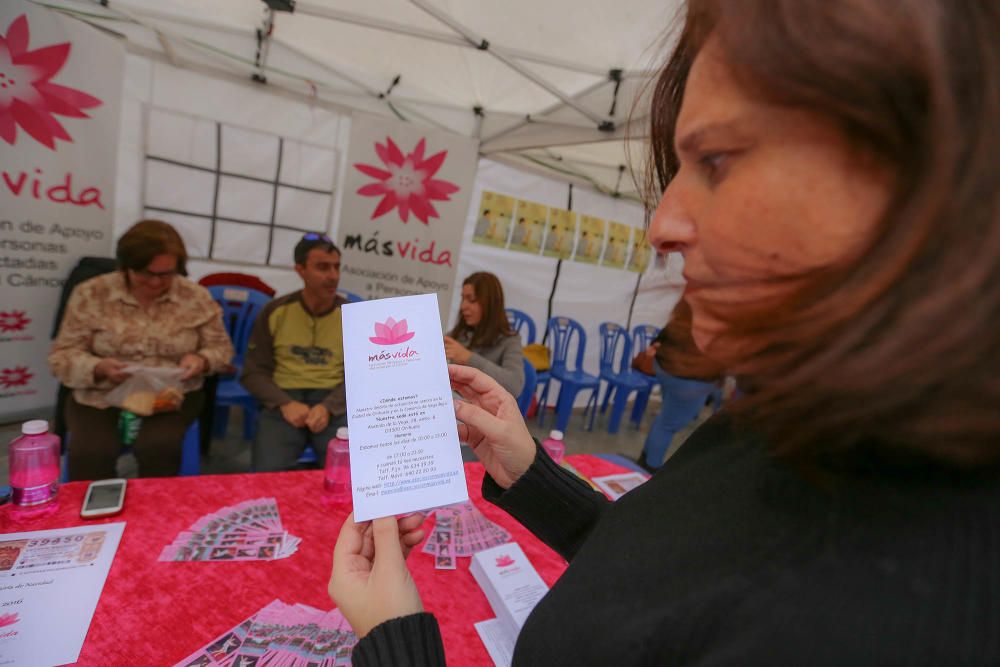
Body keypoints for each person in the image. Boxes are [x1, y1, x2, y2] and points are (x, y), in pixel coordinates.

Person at [328, 1, 1000, 664]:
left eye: (717, 160)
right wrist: (528, 470)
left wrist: (394, 637)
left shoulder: (904, 615)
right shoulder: (791, 420)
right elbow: (657, 569)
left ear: (931, 178)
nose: (662, 225)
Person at [49, 220, 233, 480]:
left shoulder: (195, 298)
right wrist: (98, 367)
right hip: (102, 394)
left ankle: (153, 514)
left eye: (166, 274)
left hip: (171, 395)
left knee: (159, 447)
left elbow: (221, 349)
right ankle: (96, 515)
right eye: (145, 273)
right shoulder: (92, 294)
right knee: (92, 453)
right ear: (125, 267)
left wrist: (201, 360)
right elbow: (62, 355)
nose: (156, 282)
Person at [241, 233, 348, 471]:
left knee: (349, 479)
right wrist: (284, 403)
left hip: (336, 402)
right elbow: (253, 372)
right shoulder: (276, 311)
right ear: (300, 270)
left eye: (336, 267)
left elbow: (365, 376)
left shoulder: (352, 315)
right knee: (266, 475)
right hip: (285, 399)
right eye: (322, 267)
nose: (333, 276)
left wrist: (328, 406)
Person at [637, 299, 724, 472]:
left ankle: (644, 460)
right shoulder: (722, 319)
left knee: (665, 419)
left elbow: (661, 337)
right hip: (689, 379)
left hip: (666, 368)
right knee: (668, 425)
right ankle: (650, 469)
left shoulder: (693, 308)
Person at [443, 272, 524, 398]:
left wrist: (469, 358)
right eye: (463, 299)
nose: (463, 306)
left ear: (491, 303)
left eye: (472, 300)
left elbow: (514, 385)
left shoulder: (510, 340)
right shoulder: (459, 333)